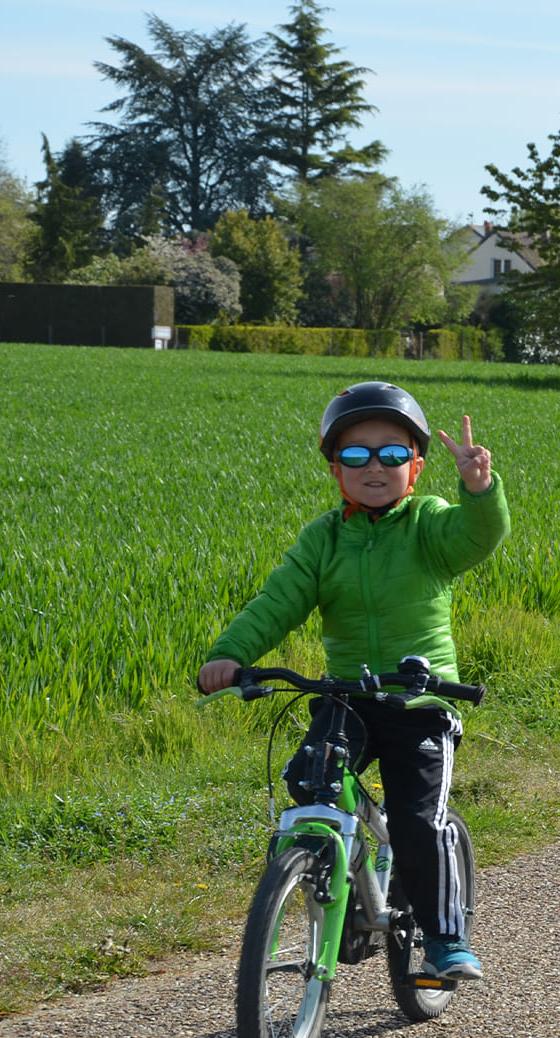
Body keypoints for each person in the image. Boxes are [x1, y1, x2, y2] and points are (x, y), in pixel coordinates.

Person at [196, 381, 509, 981]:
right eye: (356, 454)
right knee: (307, 780)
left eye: (392, 453)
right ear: (335, 467)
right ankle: (341, 892)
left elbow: (479, 536)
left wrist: (478, 490)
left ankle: (444, 937)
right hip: (348, 699)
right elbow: (278, 601)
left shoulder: (430, 526)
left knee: (418, 820)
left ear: (415, 467)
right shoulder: (324, 539)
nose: (374, 466)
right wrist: (231, 654)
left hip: (421, 701)